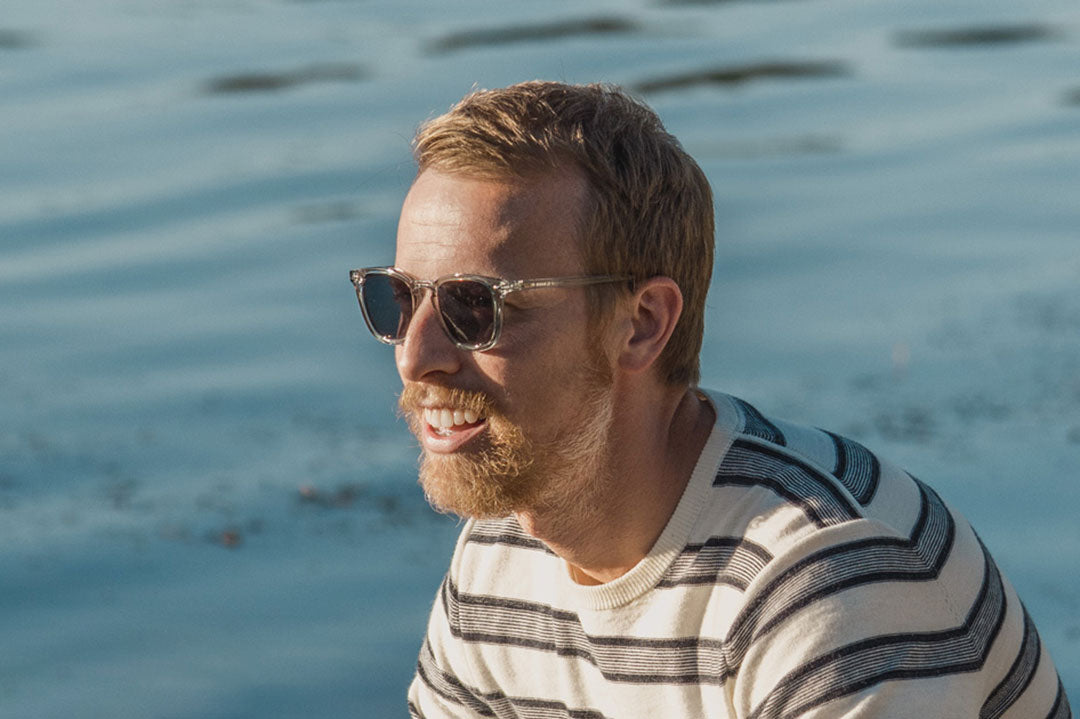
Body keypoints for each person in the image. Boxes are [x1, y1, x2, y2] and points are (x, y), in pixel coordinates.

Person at [349, 81, 1070, 718]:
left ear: (642, 324)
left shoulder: (829, 580)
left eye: (476, 307)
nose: (415, 354)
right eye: (396, 297)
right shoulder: (500, 555)